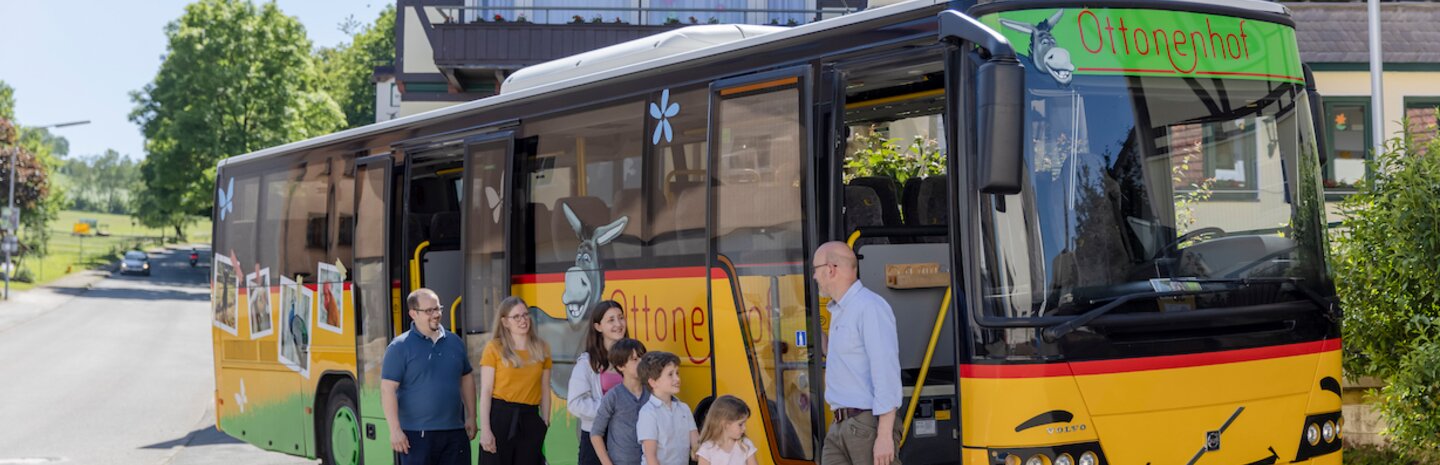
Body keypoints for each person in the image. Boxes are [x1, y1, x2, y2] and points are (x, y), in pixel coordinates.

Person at [813, 241, 902, 465]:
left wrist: (884, 435)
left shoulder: (869, 307)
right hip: (839, 425)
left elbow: (886, 371)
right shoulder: (839, 309)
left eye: (816, 270)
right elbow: (848, 359)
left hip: (866, 424)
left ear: (830, 269)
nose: (814, 277)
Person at [381, 288, 477, 465]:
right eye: (429, 311)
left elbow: (467, 378)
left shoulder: (455, 342)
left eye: (438, 308)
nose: (436, 314)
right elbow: (388, 390)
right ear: (413, 313)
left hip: (455, 432)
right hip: (417, 436)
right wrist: (394, 430)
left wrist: (472, 416)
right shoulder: (399, 347)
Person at [479, 296, 553, 465]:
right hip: (500, 417)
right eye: (516, 317)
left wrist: (545, 421)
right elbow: (486, 391)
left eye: (526, 315)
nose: (523, 320)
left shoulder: (542, 348)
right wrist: (486, 430)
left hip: (530, 418)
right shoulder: (494, 348)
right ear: (505, 322)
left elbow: (544, 388)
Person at [569, 300, 629, 465]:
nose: (618, 324)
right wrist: (609, 409)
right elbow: (575, 403)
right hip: (596, 438)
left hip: (628, 438)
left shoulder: (634, 358)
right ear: (598, 327)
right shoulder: (587, 363)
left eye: (621, 317)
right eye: (611, 320)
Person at [590, 338, 649, 465]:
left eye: (642, 358)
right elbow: (596, 433)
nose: (641, 362)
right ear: (621, 366)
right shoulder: (613, 396)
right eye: (634, 359)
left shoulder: (652, 394)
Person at [635, 351, 698, 465]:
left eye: (677, 373)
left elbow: (696, 446)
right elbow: (651, 458)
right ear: (653, 382)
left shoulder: (684, 409)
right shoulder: (648, 413)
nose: (677, 379)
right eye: (670, 374)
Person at [695, 395, 758, 465]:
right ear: (725, 424)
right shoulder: (707, 449)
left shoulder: (746, 445)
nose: (744, 428)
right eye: (740, 424)